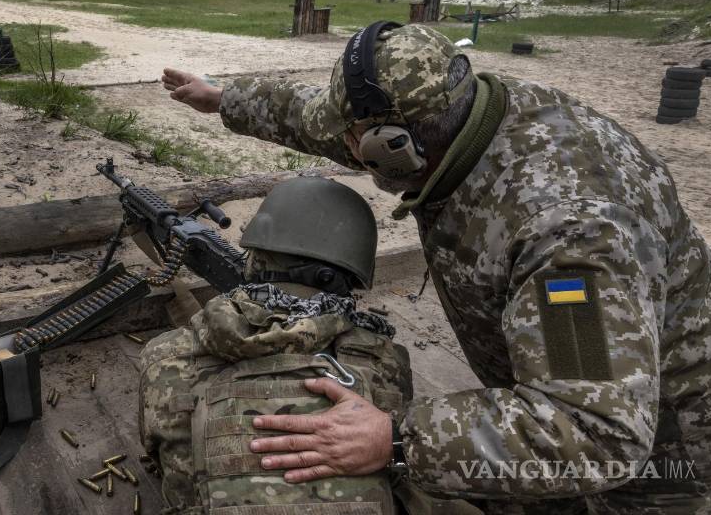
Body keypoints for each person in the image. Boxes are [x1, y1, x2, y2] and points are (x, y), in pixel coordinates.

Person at [160, 22, 711, 513]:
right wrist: (224, 99)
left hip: (665, 454)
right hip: (565, 403)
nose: (342, 144)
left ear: (394, 149)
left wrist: (398, 439)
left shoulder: (569, 237)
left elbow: (597, 430)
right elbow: (319, 121)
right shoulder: (464, 115)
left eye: (354, 140)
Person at [139, 176, 480, 514]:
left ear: (256, 257)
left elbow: (158, 453)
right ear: (343, 278)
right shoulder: (384, 358)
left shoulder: (163, 355)